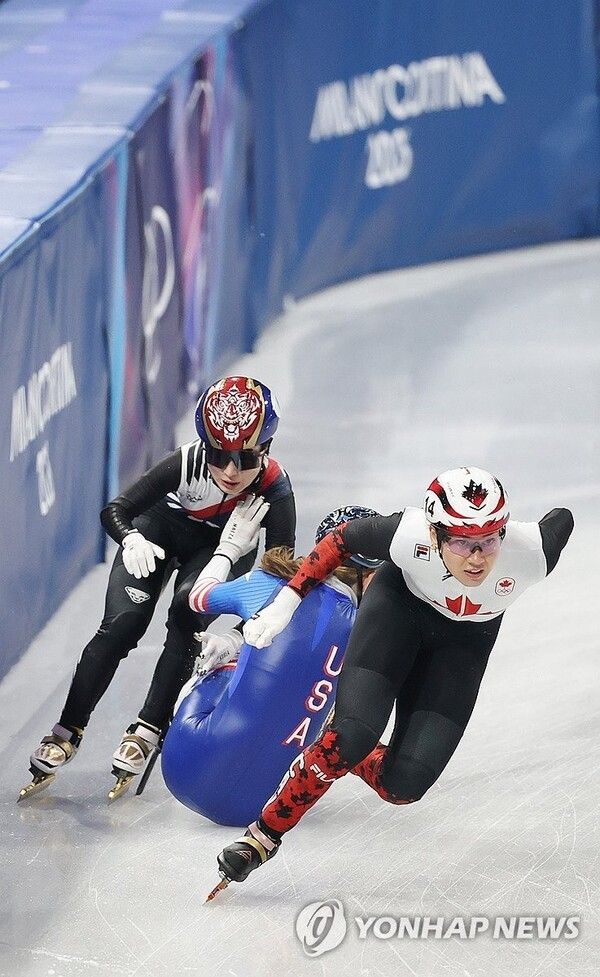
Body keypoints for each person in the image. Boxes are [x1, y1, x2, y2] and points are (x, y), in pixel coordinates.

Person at [210, 467, 574, 894]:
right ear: (435, 535)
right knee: (351, 735)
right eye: (461, 542)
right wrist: (285, 603)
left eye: (489, 541)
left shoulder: (531, 553)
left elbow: (563, 518)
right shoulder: (408, 534)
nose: (477, 558)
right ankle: (262, 837)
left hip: (464, 645)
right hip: (398, 613)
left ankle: (341, 751)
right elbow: (341, 539)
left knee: (404, 786)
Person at [19, 376, 296, 802]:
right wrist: (131, 538)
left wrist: (239, 636)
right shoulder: (185, 462)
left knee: (187, 616)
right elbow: (116, 510)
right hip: (156, 532)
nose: (230, 472)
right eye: (218, 456)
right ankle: (67, 728)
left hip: (224, 548)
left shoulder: (276, 490)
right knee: (122, 625)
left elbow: (281, 582)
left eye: (244, 458)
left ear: (267, 448)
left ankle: (149, 725)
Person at [160, 504, 382, 828]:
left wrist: (229, 548)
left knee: (235, 659)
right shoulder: (372, 630)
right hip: (271, 803)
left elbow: (197, 598)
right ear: (367, 571)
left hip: (181, 768)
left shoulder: (269, 583)